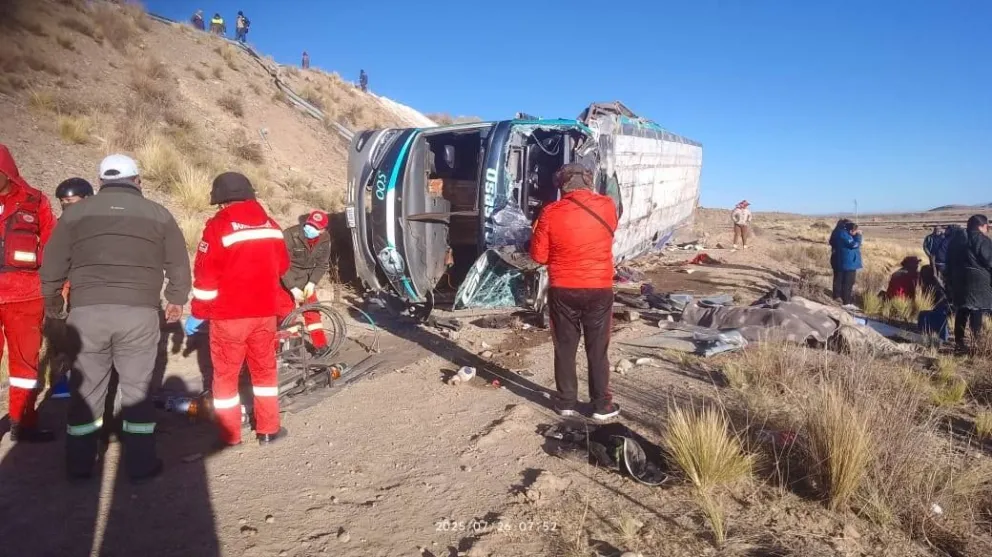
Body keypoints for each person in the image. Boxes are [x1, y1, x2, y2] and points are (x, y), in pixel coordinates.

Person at [40, 155, 191, 482]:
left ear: (101, 183)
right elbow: (178, 263)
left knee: (87, 390)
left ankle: (80, 465)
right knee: (136, 390)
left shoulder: (75, 214)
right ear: (137, 181)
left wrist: (54, 304)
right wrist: (176, 300)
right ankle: (140, 464)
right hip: (139, 314)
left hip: (87, 315)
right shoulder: (159, 214)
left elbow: (51, 266)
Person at [187, 172, 289, 447]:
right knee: (265, 372)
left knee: (225, 377)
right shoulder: (271, 224)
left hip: (228, 317)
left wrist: (198, 311)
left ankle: (230, 435)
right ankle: (268, 430)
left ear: (221, 200)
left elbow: (206, 276)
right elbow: (283, 266)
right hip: (264, 315)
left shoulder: (218, 226)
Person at [530, 163, 620, 421]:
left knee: (565, 348)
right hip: (599, 288)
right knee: (598, 348)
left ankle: (567, 402)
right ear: (589, 181)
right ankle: (601, 405)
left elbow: (538, 256)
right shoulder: (607, 206)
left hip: (563, 289)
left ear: (562, 184)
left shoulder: (550, 212)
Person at [0, 144, 57, 442]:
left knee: (25, 365)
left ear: (7, 171)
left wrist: (58, 288)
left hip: (26, 298)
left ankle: (23, 423)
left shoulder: (35, 201)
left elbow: (53, 245)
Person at [48, 178, 96, 400]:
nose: (66, 205)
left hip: (89, 286)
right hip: (62, 286)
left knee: (89, 336)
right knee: (58, 336)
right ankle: (61, 381)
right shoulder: (58, 224)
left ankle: (90, 381)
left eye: (70, 200)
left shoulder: (100, 224)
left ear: (86, 199)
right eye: (62, 201)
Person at [279, 210, 332, 349]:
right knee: (286, 314)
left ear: (323, 230)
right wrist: (292, 287)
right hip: (286, 278)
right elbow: (281, 263)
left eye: (316, 227)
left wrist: (311, 283)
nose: (311, 229)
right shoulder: (290, 234)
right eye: (310, 225)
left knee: (313, 312)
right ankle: (291, 347)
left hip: (305, 280)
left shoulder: (325, 239)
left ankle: (321, 346)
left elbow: (322, 265)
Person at [945, 214, 992, 351]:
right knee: (976, 309)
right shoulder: (981, 240)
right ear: (980, 226)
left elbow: (948, 260)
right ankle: (975, 343)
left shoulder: (955, 240)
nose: (987, 229)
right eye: (987, 226)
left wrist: (950, 279)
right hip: (978, 281)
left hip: (958, 280)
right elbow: (990, 261)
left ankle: (959, 341)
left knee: (962, 308)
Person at [829, 220, 862, 305]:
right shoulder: (843, 234)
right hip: (848, 263)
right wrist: (858, 236)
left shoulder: (838, 233)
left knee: (839, 280)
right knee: (848, 282)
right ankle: (846, 302)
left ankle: (837, 298)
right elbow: (854, 245)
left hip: (841, 261)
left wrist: (853, 234)